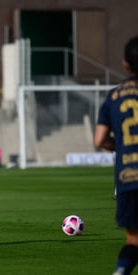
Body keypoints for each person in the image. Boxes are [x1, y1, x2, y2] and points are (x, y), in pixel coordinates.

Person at [94, 35, 138, 275]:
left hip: (127, 176)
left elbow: (99, 140)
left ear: (125, 64)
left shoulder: (114, 95)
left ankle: (121, 272)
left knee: (133, 241)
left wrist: (119, 146)